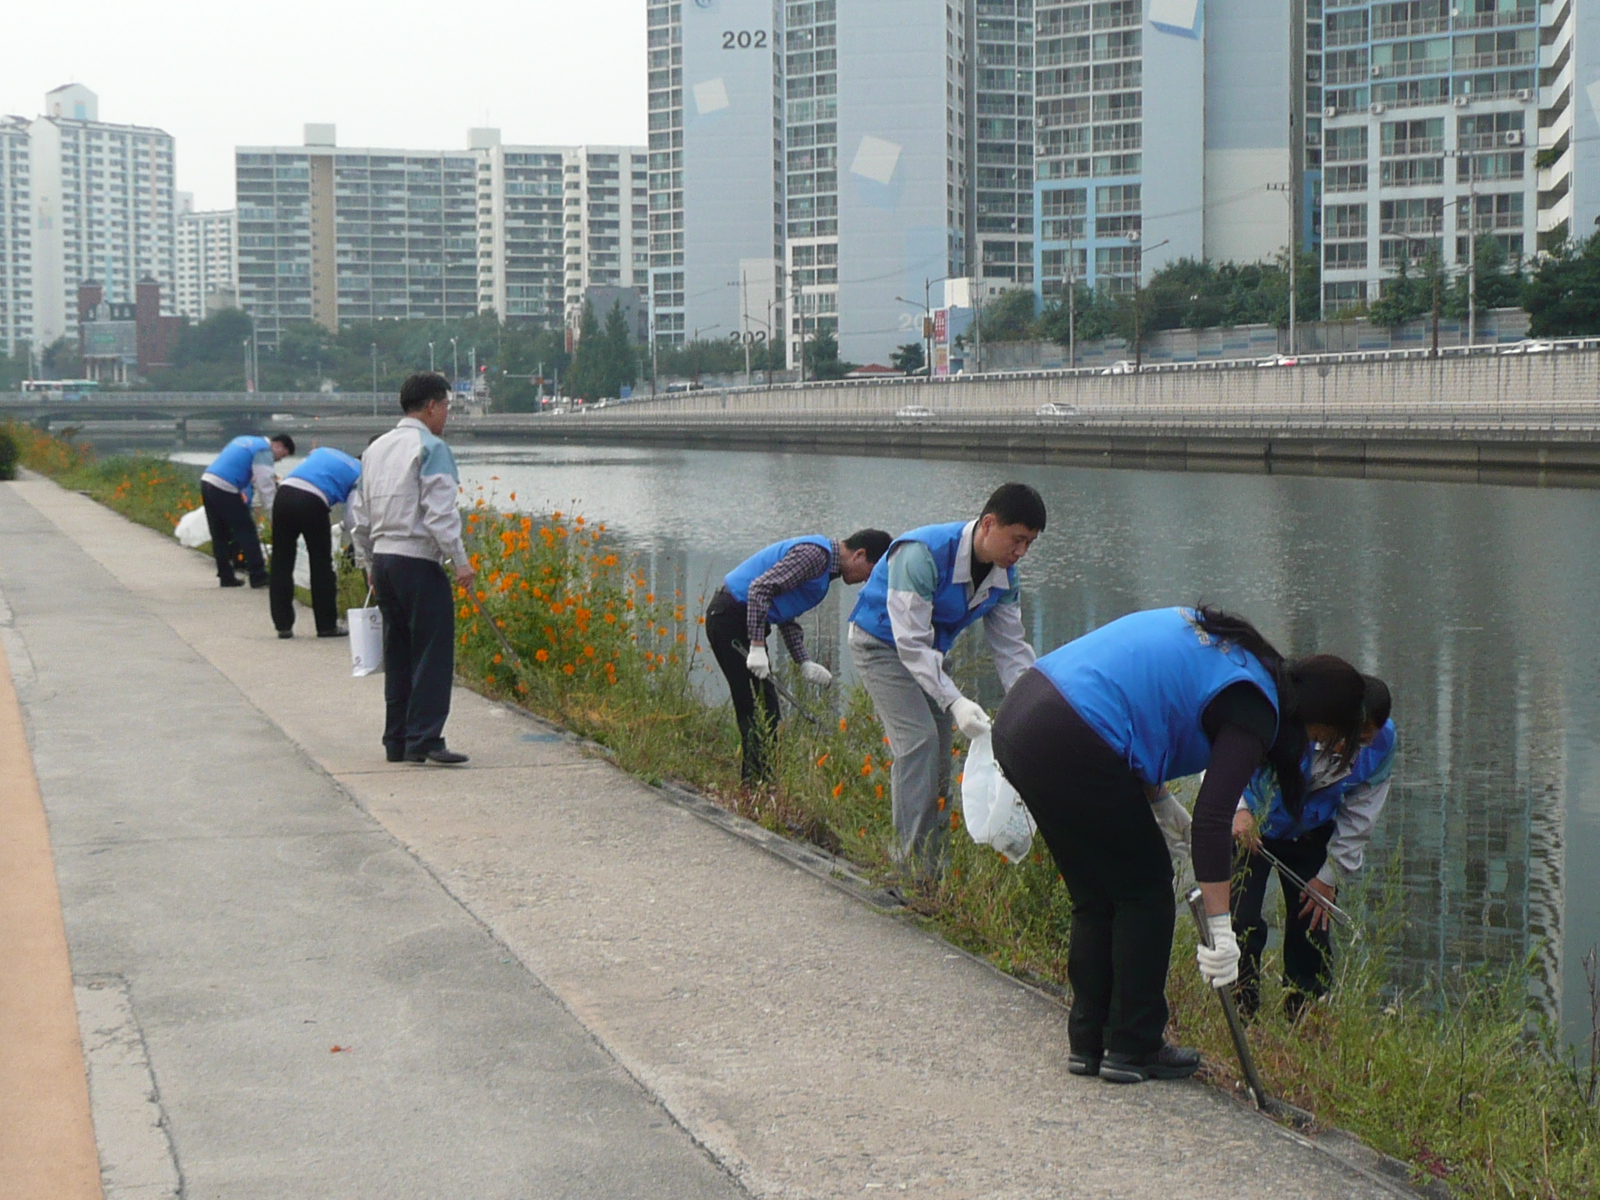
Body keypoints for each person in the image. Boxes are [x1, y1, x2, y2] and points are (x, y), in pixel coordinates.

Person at [990, 606, 1366, 1084]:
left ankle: (1089, 1042)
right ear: (1320, 718)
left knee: (1097, 895)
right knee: (1145, 890)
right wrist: (1221, 929)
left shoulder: (1237, 656)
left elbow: (1146, 708)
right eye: (1324, 739)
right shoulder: (1257, 705)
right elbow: (1214, 820)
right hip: (1072, 730)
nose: (1315, 748)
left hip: (1024, 716)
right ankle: (1133, 1046)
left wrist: (1160, 800)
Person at [847, 483, 1045, 877]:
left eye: (1029, 543)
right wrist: (955, 701)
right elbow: (910, 644)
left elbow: (1011, 650)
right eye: (1017, 539)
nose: (1021, 551)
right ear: (989, 525)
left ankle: (933, 872)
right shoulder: (921, 554)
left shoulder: (1006, 576)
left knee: (940, 762)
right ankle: (906, 871)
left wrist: (1035, 704)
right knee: (918, 743)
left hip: (930, 658)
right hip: (881, 648)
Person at [1231, 674, 1395, 1019]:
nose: (1359, 747)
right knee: (1241, 919)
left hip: (1311, 831)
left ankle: (1302, 1015)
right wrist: (1239, 812)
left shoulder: (1381, 744)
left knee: (1312, 925)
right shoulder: (1283, 720)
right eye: (1355, 737)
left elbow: (1360, 814)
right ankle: (1241, 1012)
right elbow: (1219, 758)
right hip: (1252, 824)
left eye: (1368, 739)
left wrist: (1330, 874)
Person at [349, 373, 474, 766]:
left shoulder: (376, 449)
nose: (447, 416)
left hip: (384, 561)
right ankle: (426, 737)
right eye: (447, 408)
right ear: (432, 406)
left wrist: (367, 561)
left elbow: (360, 515)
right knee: (432, 653)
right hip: (418, 560)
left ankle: (397, 740)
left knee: (399, 652)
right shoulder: (432, 447)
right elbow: (440, 515)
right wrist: (461, 561)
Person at [706, 529, 892, 783]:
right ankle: (755, 788)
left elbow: (784, 612)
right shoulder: (815, 555)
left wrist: (802, 660)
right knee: (754, 708)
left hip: (741, 621)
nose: (865, 582)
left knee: (767, 710)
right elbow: (759, 590)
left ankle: (760, 785)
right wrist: (758, 646)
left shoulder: (825, 570)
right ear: (859, 555)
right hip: (729, 618)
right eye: (870, 574)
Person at [269, 446, 362, 639]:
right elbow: (353, 515)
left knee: (281, 562)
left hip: (284, 494)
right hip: (312, 501)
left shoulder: (324, 451)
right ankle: (326, 626)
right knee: (321, 565)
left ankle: (283, 625)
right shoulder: (361, 473)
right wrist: (360, 544)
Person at [200, 433, 293, 588]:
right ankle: (258, 576)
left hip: (208, 481)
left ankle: (226, 576)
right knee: (247, 531)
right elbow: (266, 487)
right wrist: (274, 516)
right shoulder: (263, 451)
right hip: (225, 487)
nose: (279, 460)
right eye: (282, 456)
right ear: (279, 445)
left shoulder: (244, 440)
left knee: (219, 534)